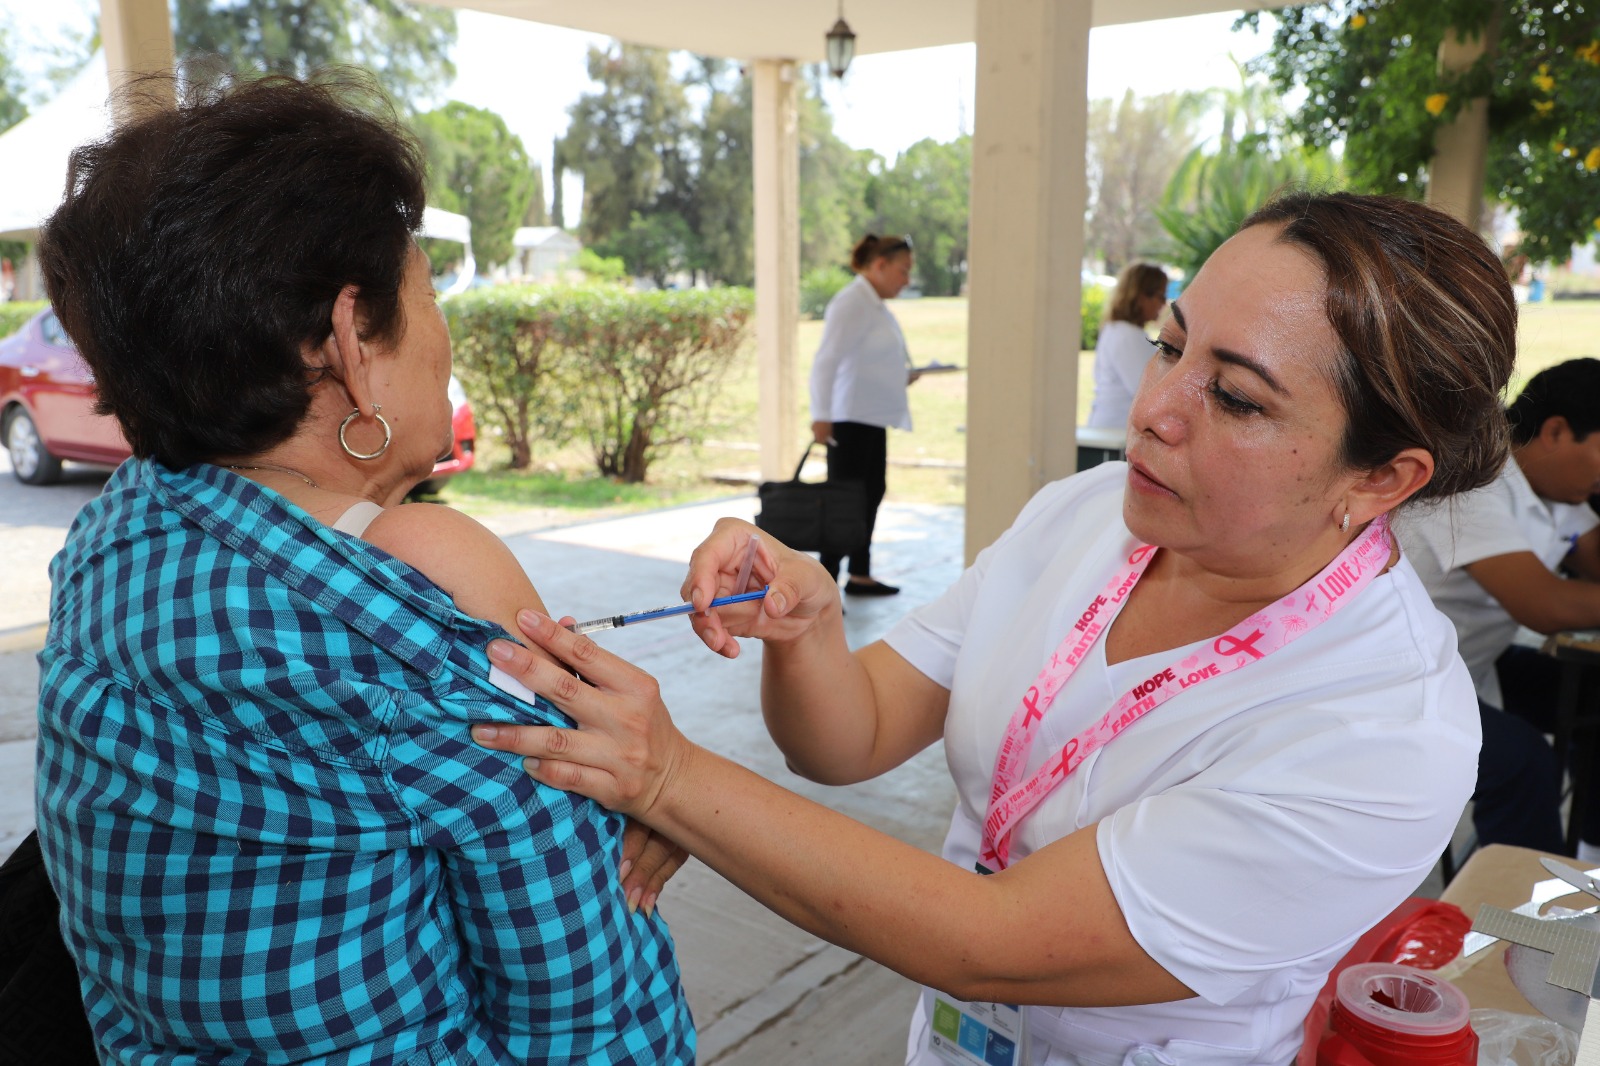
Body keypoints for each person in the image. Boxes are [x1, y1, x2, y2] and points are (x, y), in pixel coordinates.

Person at [473, 191, 1515, 1063]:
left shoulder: (1384, 728)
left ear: (1382, 477)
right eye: (1169, 345)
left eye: (1235, 398)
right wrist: (809, 624)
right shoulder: (1088, 516)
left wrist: (670, 778)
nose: (1155, 407)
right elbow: (851, 735)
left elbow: (988, 937)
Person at [32, 74, 692, 1064]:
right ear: (349, 341)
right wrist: (652, 791)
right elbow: (591, 995)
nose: (445, 340)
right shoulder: (425, 573)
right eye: (427, 299)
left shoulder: (107, 547)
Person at [1398, 357, 1600, 859]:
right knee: (1523, 762)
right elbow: (1545, 606)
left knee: (1595, 691)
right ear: (1555, 432)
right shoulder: (1470, 484)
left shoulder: (1561, 492)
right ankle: (1522, 914)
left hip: (1468, 667)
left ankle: (1592, 852)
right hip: (1397, 684)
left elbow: (1593, 561)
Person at [809, 233, 919, 597]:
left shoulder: (874, 305)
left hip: (870, 418)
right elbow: (826, 361)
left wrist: (902, 376)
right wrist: (820, 414)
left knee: (870, 494)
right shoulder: (852, 302)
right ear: (879, 265)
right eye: (902, 271)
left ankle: (859, 574)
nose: (906, 280)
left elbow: (867, 361)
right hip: (849, 419)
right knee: (846, 502)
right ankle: (825, 584)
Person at [1085, 262, 1169, 430]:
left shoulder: (1122, 331)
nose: (1163, 304)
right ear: (1141, 296)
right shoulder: (1126, 335)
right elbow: (1147, 390)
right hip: (1114, 432)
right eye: (1161, 296)